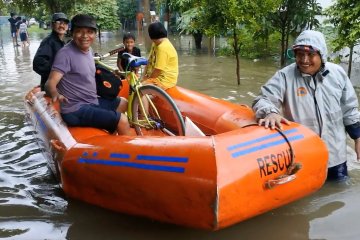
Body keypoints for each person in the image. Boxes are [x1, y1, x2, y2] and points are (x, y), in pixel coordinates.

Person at [252, 30, 360, 182]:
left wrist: (357, 137)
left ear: (322, 55)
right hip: (304, 156)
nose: (304, 59)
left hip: (336, 156)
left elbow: (349, 109)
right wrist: (270, 112)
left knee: (339, 190)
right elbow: (263, 98)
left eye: (310, 55)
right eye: (300, 54)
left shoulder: (337, 74)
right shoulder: (284, 76)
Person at [45, 14, 130, 135]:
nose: (85, 36)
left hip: (91, 101)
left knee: (123, 103)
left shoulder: (88, 50)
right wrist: (55, 94)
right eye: (79, 31)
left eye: (89, 32)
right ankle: (126, 151)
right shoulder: (65, 54)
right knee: (123, 120)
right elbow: (50, 83)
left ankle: (111, 138)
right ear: (72, 32)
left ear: (95, 34)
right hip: (75, 109)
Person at [33, 13, 69, 91]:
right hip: (51, 88)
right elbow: (38, 63)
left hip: (62, 85)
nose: (62, 26)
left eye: (65, 23)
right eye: (58, 22)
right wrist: (57, 73)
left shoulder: (63, 42)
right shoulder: (48, 41)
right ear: (52, 25)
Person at [142, 21, 178, 90]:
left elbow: (158, 70)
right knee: (138, 86)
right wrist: (144, 77)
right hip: (155, 77)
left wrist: (147, 81)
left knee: (140, 90)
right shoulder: (155, 44)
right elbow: (149, 61)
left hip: (165, 80)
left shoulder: (163, 47)